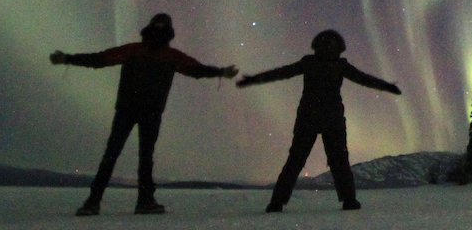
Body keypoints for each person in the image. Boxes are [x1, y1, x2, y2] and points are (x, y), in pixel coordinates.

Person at [50, 13, 237, 216]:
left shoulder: (144, 52)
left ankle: (99, 201)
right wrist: (220, 72)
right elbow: (100, 59)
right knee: (135, 156)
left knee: (119, 155)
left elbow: (101, 59)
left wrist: (67, 58)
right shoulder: (159, 54)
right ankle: (132, 201)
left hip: (135, 109)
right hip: (141, 110)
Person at [237, 29, 401, 212]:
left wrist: (253, 80)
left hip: (311, 117)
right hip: (331, 119)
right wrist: (387, 86)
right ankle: (348, 200)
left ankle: (277, 202)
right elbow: (364, 79)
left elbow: (281, 73)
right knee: (337, 161)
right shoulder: (337, 66)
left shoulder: (312, 63)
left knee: (296, 161)